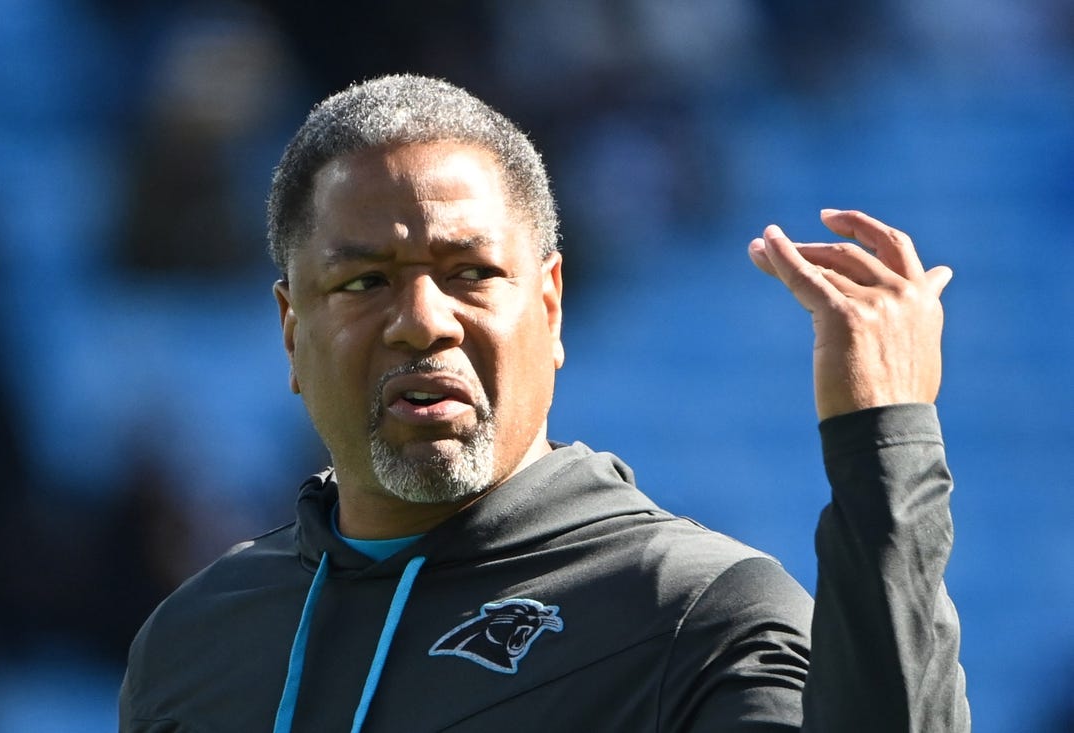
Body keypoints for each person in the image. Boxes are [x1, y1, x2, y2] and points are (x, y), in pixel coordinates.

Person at [119, 74, 970, 732]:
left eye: (470, 274)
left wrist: (885, 445)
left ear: (551, 305)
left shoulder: (695, 614)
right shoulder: (194, 643)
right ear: (290, 328)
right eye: (364, 280)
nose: (422, 322)